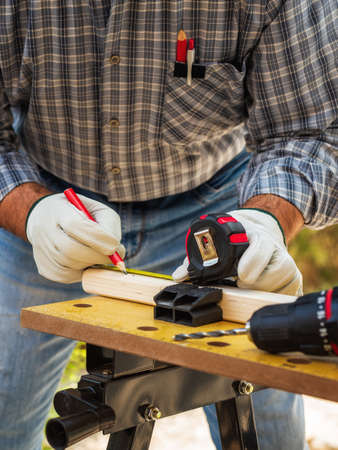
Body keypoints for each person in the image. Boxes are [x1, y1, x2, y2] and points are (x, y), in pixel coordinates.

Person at [0, 1, 336, 449]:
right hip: (48, 206)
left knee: (267, 426)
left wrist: (262, 221)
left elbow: (309, 131)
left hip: (216, 211)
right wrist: (32, 211)